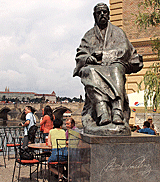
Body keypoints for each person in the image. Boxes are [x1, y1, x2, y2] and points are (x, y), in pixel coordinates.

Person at [73, 3, 143, 127]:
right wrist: (88, 58)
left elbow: (124, 51)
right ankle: (103, 111)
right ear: (94, 16)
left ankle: (117, 111)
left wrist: (104, 55)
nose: (102, 15)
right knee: (89, 72)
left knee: (116, 69)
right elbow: (80, 54)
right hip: (94, 67)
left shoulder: (118, 32)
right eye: (99, 13)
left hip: (115, 63)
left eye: (104, 12)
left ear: (109, 14)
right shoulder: (88, 35)